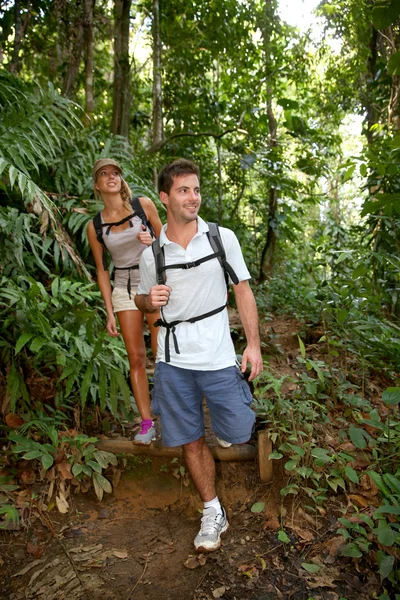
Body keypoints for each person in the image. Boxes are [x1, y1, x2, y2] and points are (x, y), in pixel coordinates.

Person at [134, 158, 263, 552]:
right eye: (183, 190)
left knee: (239, 431)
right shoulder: (152, 254)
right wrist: (146, 300)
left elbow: (242, 290)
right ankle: (212, 510)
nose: (193, 197)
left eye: (196, 189)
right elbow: (142, 300)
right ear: (164, 197)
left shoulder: (221, 238)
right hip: (174, 361)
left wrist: (254, 344)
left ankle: (225, 431)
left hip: (219, 356)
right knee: (190, 440)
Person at [87, 158, 163, 444]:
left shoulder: (143, 206)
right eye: (104, 174)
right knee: (136, 358)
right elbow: (101, 270)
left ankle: (172, 413)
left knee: (162, 352)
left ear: (121, 179)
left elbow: (167, 240)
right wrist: (109, 311)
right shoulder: (95, 226)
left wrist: (152, 239)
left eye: (115, 172)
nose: (111, 177)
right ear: (97, 184)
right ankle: (147, 423)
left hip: (152, 284)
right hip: (123, 290)